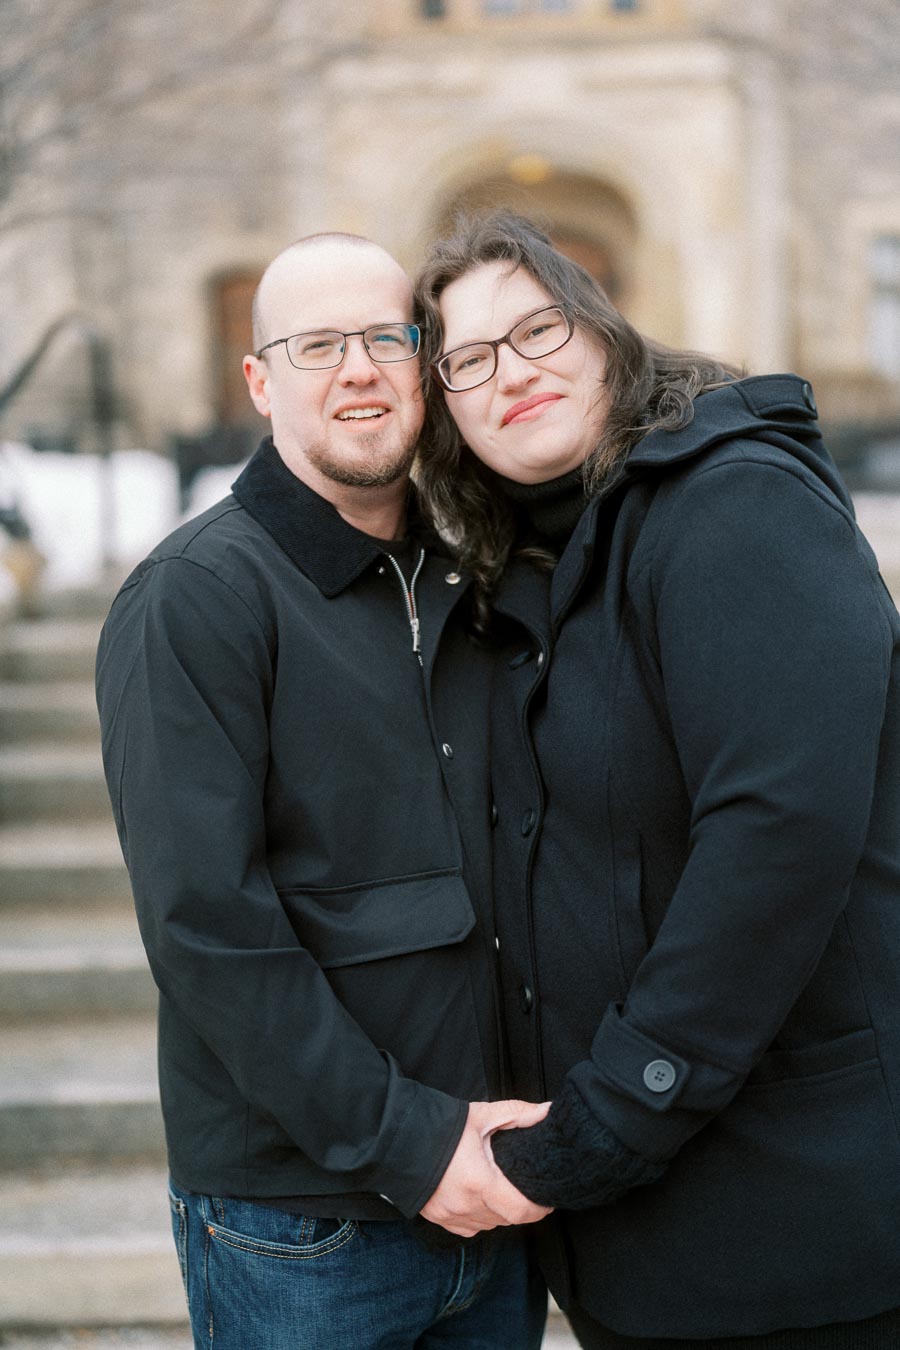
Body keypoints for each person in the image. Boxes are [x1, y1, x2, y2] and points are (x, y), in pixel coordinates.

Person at [413, 210, 900, 1349]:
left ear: (606, 334)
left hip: (803, 1237)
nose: (510, 373)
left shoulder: (734, 507)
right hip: (644, 1244)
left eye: (537, 328)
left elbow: (773, 844)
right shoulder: (542, 567)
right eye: (467, 359)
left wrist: (603, 1124)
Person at [95, 232, 551, 1350]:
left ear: (427, 366)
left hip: (493, 1196)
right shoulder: (194, 599)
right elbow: (210, 927)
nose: (358, 369)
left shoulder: (469, 578)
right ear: (260, 381)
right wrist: (411, 1144)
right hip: (300, 1227)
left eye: (388, 339)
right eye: (317, 345)